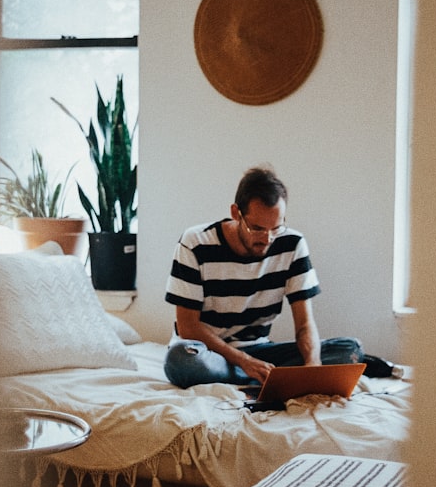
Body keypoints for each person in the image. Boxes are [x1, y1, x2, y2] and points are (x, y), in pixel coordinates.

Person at [163, 166, 396, 388]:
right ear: (236, 213)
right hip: (209, 353)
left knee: (349, 349)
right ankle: (261, 376)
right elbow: (188, 327)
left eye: (276, 228)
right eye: (257, 228)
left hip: (261, 351)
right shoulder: (194, 243)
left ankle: (262, 377)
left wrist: (312, 367)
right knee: (180, 361)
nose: (267, 239)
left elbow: (304, 324)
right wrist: (244, 361)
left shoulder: (292, 244)